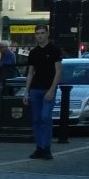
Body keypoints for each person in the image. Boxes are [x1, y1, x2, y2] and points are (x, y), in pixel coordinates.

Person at [23, 24, 63, 160]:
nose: (40, 35)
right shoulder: (33, 52)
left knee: (46, 117)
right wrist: (26, 91)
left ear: (47, 34)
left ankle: (47, 147)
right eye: (37, 33)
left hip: (48, 89)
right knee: (36, 119)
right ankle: (39, 147)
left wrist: (52, 89)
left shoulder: (54, 50)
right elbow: (30, 73)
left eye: (42, 33)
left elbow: (58, 71)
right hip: (35, 88)